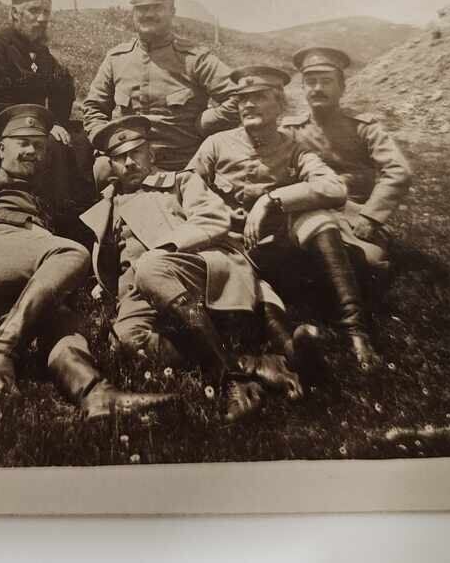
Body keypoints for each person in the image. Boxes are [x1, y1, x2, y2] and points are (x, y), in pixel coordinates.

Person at [0, 104, 175, 419]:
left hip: (22, 279)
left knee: (65, 323)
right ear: (1, 149)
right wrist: (26, 224)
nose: (31, 152)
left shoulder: (42, 200)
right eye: (23, 143)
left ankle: (94, 392)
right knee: (70, 253)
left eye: (39, 146)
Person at [80, 116, 306, 423]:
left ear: (152, 155)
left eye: (136, 153)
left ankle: (230, 378)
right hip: (142, 287)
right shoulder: (108, 204)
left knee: (150, 267)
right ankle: (251, 362)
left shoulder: (180, 182)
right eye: (120, 158)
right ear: (111, 165)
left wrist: (165, 249)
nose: (129, 163)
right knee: (129, 340)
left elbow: (213, 219)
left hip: (198, 268)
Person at [189, 65, 382, 370]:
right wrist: (218, 210)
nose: (248, 105)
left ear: (280, 104)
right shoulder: (216, 143)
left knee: (318, 218)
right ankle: (291, 341)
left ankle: (355, 329)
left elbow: (333, 187)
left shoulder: (294, 148)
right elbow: (188, 185)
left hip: (280, 243)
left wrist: (272, 200)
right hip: (232, 243)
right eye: (243, 98)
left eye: (259, 97)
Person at [0, 0, 93, 224]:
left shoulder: (40, 52)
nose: (42, 18)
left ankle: (82, 211)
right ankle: (57, 218)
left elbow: (62, 87)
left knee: (79, 140)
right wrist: (43, 125)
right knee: (52, 146)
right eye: (34, 10)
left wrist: (57, 121)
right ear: (14, 13)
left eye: (46, 11)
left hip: (29, 132)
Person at [82, 0, 239, 179]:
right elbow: (94, 108)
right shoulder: (116, 59)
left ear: (172, 11)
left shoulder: (195, 59)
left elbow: (239, 96)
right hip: (128, 162)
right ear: (133, 13)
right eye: (142, 8)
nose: (148, 14)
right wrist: (108, 142)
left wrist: (204, 124)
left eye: (157, 7)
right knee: (101, 170)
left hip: (180, 164)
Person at [281, 47, 413, 274]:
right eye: (311, 82)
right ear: (303, 88)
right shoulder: (291, 129)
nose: (317, 88)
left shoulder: (364, 127)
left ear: (342, 87)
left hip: (353, 212)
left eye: (326, 81)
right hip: (308, 208)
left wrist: (370, 217)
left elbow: (398, 171)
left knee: (367, 262)